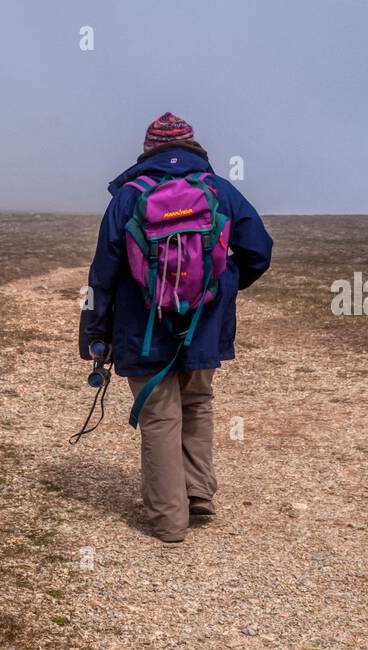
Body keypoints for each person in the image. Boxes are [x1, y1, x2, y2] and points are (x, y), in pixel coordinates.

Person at [79, 112, 273, 543]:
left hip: (142, 326)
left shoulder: (128, 197)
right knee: (197, 402)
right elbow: (259, 250)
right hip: (205, 324)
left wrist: (94, 333)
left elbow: (102, 275)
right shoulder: (219, 191)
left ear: (149, 150)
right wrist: (221, 286)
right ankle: (198, 493)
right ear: (193, 146)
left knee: (159, 414)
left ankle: (169, 521)